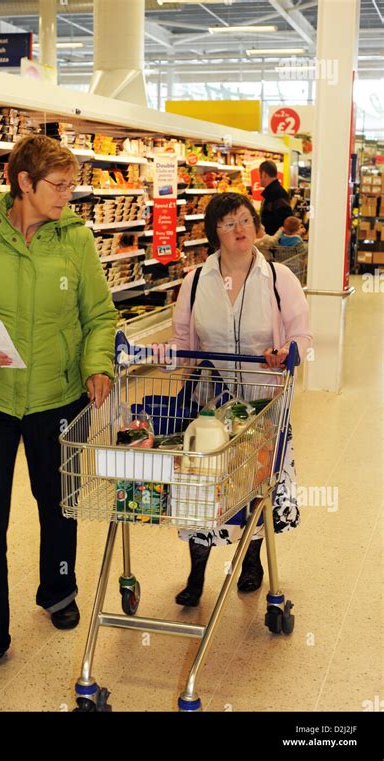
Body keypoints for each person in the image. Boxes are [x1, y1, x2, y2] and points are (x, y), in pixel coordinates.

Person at [0, 135, 117, 684]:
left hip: (57, 396)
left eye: (72, 184)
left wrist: (96, 364)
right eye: (57, 186)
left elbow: (99, 314)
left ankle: (58, 590)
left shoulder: (75, 240)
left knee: (58, 503)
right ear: (24, 183)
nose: (68, 195)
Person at [171, 192, 312, 606]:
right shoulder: (195, 280)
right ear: (214, 232)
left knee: (254, 480)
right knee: (199, 483)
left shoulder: (279, 278)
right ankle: (197, 571)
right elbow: (183, 341)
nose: (239, 229)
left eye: (245, 220)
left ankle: (252, 559)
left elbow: (301, 335)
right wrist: (162, 357)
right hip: (209, 402)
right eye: (228, 223)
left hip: (262, 402)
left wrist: (286, 352)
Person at [259, 160, 293, 235]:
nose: (259, 179)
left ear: (264, 174)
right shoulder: (274, 191)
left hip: (275, 241)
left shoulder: (276, 193)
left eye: (259, 175)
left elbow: (286, 219)